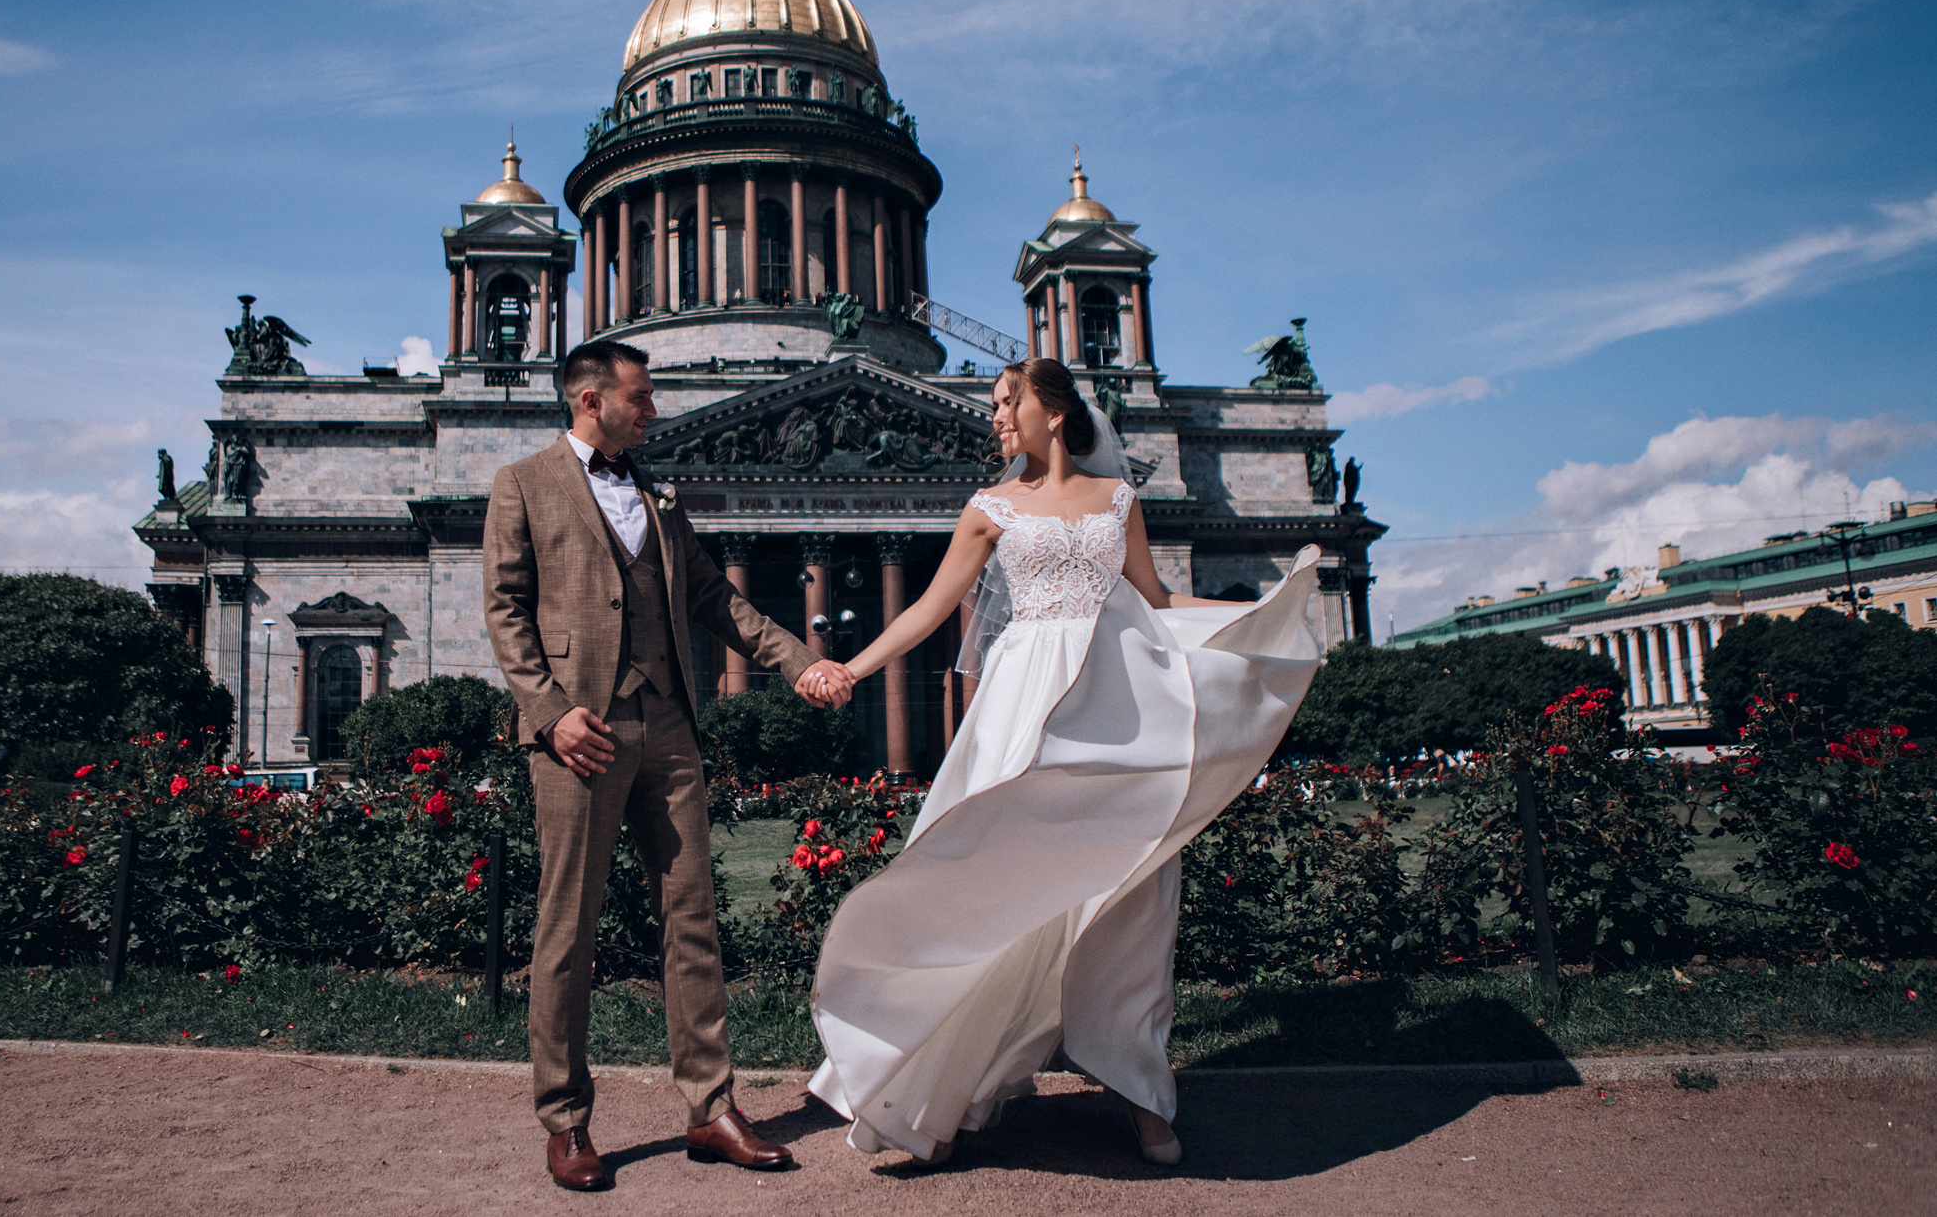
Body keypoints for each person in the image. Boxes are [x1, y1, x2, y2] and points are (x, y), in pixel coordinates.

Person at [803, 357, 1325, 1168]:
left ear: (1053, 409)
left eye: (1007, 402)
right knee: (987, 883)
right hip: (1023, 704)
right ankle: (938, 1090)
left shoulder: (1119, 499)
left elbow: (1155, 600)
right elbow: (930, 610)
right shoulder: (988, 508)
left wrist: (1263, 608)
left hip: (1117, 703)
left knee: (1130, 897)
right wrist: (851, 667)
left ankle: (1141, 1092)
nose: (996, 418)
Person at [483, 338, 856, 1192]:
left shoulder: (656, 492)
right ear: (590, 401)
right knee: (566, 932)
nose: (653, 410)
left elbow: (710, 598)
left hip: (670, 730)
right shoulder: (524, 484)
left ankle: (710, 1108)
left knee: (692, 922)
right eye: (640, 398)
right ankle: (566, 1120)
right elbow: (504, 610)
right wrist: (548, 714)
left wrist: (799, 662)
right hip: (578, 733)